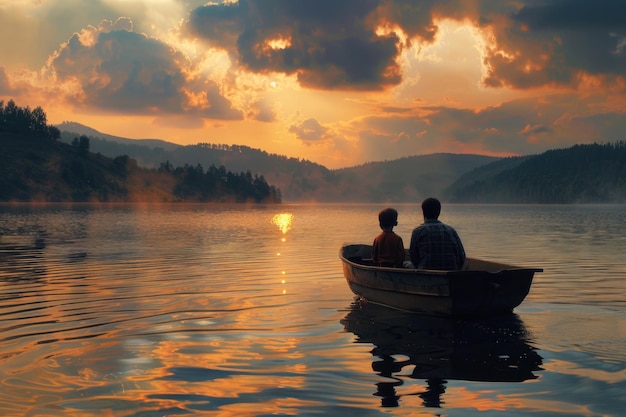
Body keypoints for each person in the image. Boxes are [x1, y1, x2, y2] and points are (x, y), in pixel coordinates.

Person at [409, 197, 466, 270]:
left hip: (425, 275)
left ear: (423, 212)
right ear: (439, 212)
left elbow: (414, 259)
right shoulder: (451, 231)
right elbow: (461, 258)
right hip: (450, 275)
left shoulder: (417, 232)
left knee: (406, 264)